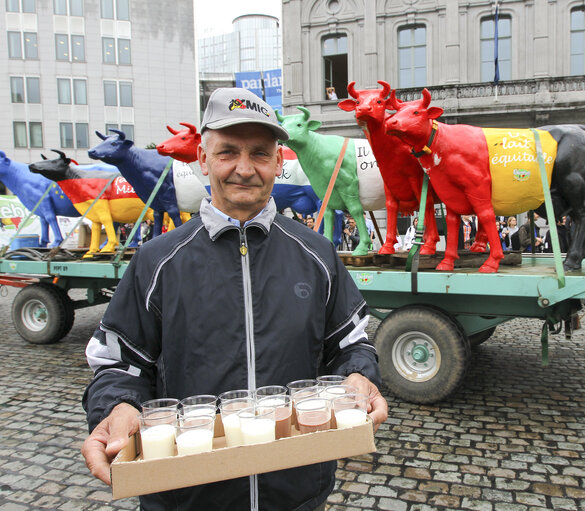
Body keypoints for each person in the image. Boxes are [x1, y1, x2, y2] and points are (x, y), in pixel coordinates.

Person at [80, 87, 388, 511]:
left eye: (260, 153)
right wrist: (116, 406)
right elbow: (119, 362)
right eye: (227, 152)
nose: (244, 169)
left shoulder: (317, 254)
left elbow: (351, 344)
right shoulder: (156, 261)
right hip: (187, 494)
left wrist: (359, 375)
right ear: (202, 160)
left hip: (296, 492)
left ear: (280, 163)